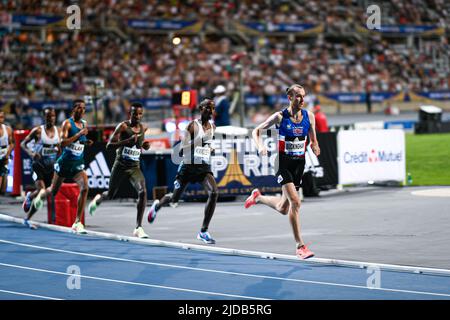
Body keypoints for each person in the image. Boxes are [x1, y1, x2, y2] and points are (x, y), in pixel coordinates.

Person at [244, 84, 320, 259]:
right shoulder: (280, 117)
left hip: (299, 164)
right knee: (296, 202)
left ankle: (258, 197)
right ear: (290, 98)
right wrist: (260, 146)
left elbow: (313, 139)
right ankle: (300, 246)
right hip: (282, 163)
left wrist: (315, 145)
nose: (302, 100)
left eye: (303, 96)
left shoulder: (310, 116)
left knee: (283, 208)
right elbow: (256, 131)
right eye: (298, 96)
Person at [147, 99, 218, 244]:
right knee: (174, 199)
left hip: (203, 167)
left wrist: (210, 149)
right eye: (207, 108)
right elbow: (182, 149)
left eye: (212, 108)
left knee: (214, 193)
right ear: (200, 108)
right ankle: (158, 205)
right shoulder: (192, 126)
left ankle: (203, 231)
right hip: (188, 167)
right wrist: (198, 143)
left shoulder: (213, 127)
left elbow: (207, 145)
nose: (210, 111)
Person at [87, 102, 151, 238]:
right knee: (110, 194)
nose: (138, 116)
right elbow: (109, 146)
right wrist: (126, 142)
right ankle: (99, 199)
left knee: (143, 191)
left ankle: (138, 227)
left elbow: (140, 144)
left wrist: (145, 145)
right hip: (120, 165)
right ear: (130, 114)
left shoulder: (144, 128)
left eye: (140, 114)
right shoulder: (123, 126)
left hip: (134, 167)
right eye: (135, 114)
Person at [31, 99, 93, 234]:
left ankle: (77, 222)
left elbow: (79, 142)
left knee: (85, 188)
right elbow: (62, 143)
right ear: (73, 109)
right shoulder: (67, 124)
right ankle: (41, 195)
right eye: (79, 108)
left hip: (77, 164)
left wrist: (86, 142)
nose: (82, 111)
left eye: (83, 108)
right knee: (53, 191)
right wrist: (79, 134)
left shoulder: (84, 124)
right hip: (64, 163)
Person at [21, 107, 61, 229]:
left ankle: (30, 197)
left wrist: (59, 154)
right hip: (37, 166)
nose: (51, 119)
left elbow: (59, 148)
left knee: (46, 193)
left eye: (53, 116)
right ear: (44, 117)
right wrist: (31, 153)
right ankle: (27, 219)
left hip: (51, 168)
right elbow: (23, 144)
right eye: (48, 116)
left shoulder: (58, 131)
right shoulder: (38, 131)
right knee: (42, 191)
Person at [0, 111, 14, 195]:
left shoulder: (8, 129)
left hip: (4, 155)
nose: (0, 119)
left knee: (3, 189)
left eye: (1, 117)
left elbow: (12, 143)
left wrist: (7, 154)